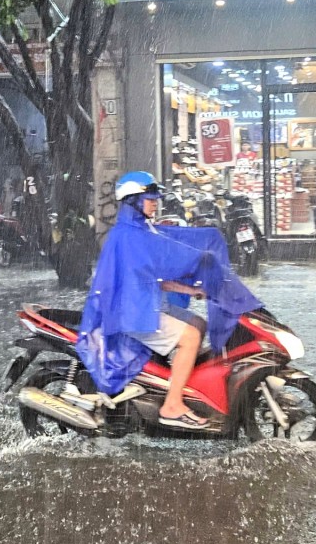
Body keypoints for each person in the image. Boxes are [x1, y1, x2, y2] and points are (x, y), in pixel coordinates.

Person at [77, 171, 261, 430]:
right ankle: (172, 405)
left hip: (142, 302)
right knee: (190, 337)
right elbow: (170, 258)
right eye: (150, 198)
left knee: (199, 323)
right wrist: (202, 261)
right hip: (130, 311)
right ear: (134, 201)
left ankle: (173, 383)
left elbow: (156, 273)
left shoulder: (140, 229)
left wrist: (193, 289)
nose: (155, 202)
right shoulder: (131, 236)